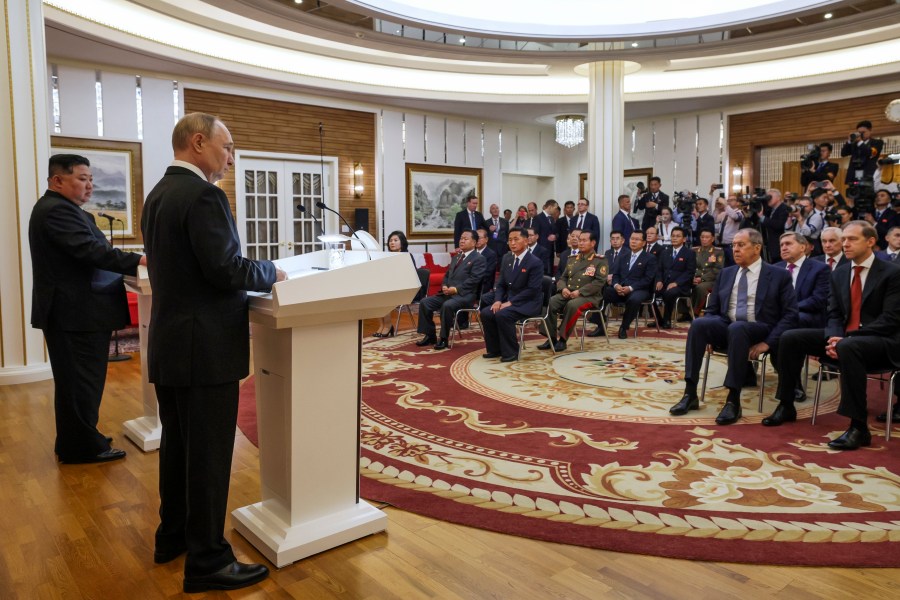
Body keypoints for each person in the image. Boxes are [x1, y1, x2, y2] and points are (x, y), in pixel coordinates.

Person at [142, 113, 285, 593]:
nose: (230, 156)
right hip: (204, 350)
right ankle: (207, 561)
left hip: (170, 343)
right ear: (198, 142)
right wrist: (271, 272)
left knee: (179, 450)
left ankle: (174, 536)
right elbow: (226, 270)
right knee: (206, 457)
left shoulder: (158, 194)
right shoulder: (204, 195)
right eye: (227, 147)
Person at [29, 154, 145, 464]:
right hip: (74, 314)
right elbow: (91, 251)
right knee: (80, 382)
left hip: (77, 312)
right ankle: (80, 447)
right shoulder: (55, 211)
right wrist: (139, 259)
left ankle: (77, 437)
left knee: (79, 382)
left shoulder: (68, 210)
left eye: (91, 179)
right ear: (58, 180)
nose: (90, 185)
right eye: (82, 178)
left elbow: (97, 251)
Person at [764, 222, 900, 447]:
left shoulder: (892, 273)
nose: (845, 244)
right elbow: (834, 313)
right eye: (844, 239)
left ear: (871, 241)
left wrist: (846, 338)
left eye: (852, 239)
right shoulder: (839, 273)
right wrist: (835, 336)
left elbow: (891, 320)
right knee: (790, 337)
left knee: (848, 347)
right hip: (846, 338)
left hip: (884, 341)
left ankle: (858, 426)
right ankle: (786, 404)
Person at [668, 229, 797, 425]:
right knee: (699, 323)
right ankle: (690, 393)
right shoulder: (727, 273)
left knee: (738, 328)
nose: (735, 250)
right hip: (727, 324)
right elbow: (712, 310)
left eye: (741, 245)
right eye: (733, 245)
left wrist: (767, 344)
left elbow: (790, 314)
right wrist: (709, 334)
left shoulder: (778, 275)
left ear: (757, 248)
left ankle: (733, 399)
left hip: (760, 327)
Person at [480, 227, 543, 362]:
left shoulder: (534, 262)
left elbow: (532, 289)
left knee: (503, 314)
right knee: (487, 312)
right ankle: (494, 349)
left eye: (516, 239)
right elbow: (501, 284)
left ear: (526, 241)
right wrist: (497, 300)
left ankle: (511, 352)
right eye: (510, 240)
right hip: (509, 299)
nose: (512, 243)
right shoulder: (507, 258)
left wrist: (511, 302)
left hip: (528, 302)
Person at [415, 229, 485, 350]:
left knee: (447, 306)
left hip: (465, 295)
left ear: (474, 243)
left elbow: (474, 280)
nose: (462, 241)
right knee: (425, 303)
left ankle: (443, 338)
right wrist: (444, 286)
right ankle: (430, 335)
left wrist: (456, 289)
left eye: (465, 239)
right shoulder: (457, 256)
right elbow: (447, 275)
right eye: (461, 238)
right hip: (448, 293)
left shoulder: (478, 258)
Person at [539, 231, 608, 351]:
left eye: (584, 240)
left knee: (572, 305)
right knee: (552, 301)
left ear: (593, 243)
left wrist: (580, 292)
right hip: (569, 292)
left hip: (589, 296)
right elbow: (563, 278)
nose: (580, 243)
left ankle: (563, 339)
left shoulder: (599, 260)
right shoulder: (572, 259)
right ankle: (551, 337)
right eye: (579, 240)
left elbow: (599, 282)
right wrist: (563, 288)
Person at [602, 230, 658, 339]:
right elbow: (616, 274)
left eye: (637, 239)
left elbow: (648, 279)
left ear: (644, 243)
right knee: (604, 291)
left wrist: (630, 288)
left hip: (640, 290)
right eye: (632, 239)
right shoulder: (623, 255)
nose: (633, 241)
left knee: (634, 299)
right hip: (621, 288)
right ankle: (599, 324)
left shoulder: (650, 258)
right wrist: (616, 285)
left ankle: (624, 327)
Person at [775, 232, 830, 328]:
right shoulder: (775, 268)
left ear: (802, 247)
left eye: (788, 244)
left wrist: (789, 309)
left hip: (806, 314)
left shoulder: (820, 268)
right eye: (781, 245)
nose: (783, 248)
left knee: (790, 320)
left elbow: (818, 299)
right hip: (779, 313)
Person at [373, 230, 414, 337]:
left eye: (395, 240)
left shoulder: (406, 256)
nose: (392, 242)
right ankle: (382, 325)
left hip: (406, 288)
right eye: (391, 240)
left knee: (383, 297)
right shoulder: (388, 257)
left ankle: (388, 325)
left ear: (402, 243)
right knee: (375, 295)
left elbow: (409, 276)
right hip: (392, 287)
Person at [654, 226, 697, 329]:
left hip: (681, 286)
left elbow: (689, 272)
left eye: (678, 236)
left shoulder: (689, 253)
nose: (674, 238)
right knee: (649, 291)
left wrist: (676, 283)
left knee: (670, 293)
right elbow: (659, 269)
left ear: (684, 239)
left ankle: (667, 319)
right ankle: (659, 319)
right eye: (673, 236)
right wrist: (659, 280)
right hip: (664, 283)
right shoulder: (665, 252)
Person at [840, 120, 885, 186]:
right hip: (854, 178)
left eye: (863, 132)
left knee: (867, 194)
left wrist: (860, 142)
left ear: (870, 130)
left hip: (868, 177)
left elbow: (870, 153)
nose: (861, 135)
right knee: (854, 193)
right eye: (859, 133)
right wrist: (849, 141)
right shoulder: (854, 144)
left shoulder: (877, 143)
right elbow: (843, 153)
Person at [692, 229, 724, 315]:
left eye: (707, 237)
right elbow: (689, 267)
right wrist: (692, 278)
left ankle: (695, 312)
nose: (704, 239)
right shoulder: (694, 250)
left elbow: (717, 270)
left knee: (701, 287)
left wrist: (701, 279)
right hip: (694, 278)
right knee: (682, 285)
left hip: (710, 280)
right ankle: (684, 313)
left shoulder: (718, 252)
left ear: (712, 239)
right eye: (702, 237)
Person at [757, 188, 789, 263]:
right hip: (772, 246)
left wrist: (763, 218)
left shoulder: (784, 208)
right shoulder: (771, 209)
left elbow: (779, 225)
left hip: (779, 245)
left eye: (770, 197)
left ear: (778, 198)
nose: (768, 199)